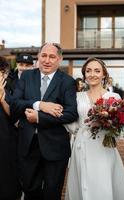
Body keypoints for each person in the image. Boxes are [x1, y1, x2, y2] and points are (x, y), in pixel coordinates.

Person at [10, 43, 78, 200]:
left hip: (55, 147)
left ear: (60, 59)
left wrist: (39, 117)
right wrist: (40, 105)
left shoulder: (67, 82)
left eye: (52, 56)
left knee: (52, 193)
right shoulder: (27, 76)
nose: (47, 60)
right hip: (28, 145)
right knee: (29, 189)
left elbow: (70, 113)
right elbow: (15, 103)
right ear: (38, 57)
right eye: (44, 56)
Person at [64, 57, 124, 200]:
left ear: (104, 74)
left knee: (103, 182)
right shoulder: (77, 97)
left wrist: (107, 123)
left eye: (97, 70)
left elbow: (120, 126)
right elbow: (72, 124)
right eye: (88, 71)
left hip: (104, 146)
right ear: (84, 75)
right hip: (82, 145)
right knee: (84, 182)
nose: (92, 74)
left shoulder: (114, 97)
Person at [0, 56, 21, 200]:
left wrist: (2, 98)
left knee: (8, 185)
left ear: (4, 74)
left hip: (7, 145)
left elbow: (17, 119)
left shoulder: (14, 89)